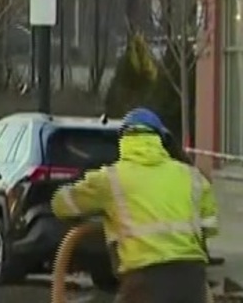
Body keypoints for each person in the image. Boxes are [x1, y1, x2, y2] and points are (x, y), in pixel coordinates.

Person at [51, 107, 218, 303]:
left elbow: (61, 205)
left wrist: (99, 209)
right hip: (192, 279)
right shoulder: (191, 177)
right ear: (161, 139)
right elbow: (209, 227)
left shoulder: (110, 179)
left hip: (144, 280)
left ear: (122, 140)